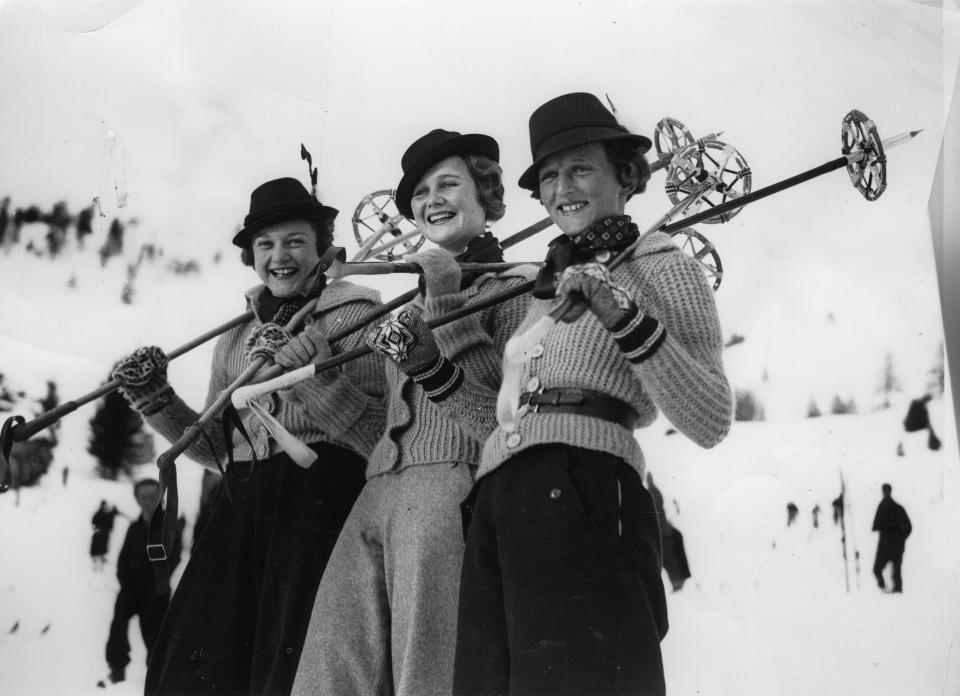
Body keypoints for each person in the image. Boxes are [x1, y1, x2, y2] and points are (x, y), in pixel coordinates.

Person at [450, 93, 734, 695]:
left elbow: (710, 417)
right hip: (499, 498)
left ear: (626, 176)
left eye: (580, 168)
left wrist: (621, 314)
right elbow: (497, 415)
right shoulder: (543, 285)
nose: (562, 187)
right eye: (549, 176)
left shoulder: (663, 265)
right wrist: (431, 365)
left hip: (582, 485)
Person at [110, 176, 386, 696]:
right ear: (252, 256)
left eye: (296, 241)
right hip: (241, 506)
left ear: (323, 248)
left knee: (293, 659)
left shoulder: (358, 315)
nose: (279, 256)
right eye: (266, 244)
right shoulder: (238, 335)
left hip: (321, 502)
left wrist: (310, 377)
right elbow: (219, 447)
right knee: (198, 655)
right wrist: (157, 401)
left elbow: (376, 436)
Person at [292, 129, 536, 696]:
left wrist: (450, 304)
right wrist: (320, 379)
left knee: (425, 676)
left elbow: (502, 422)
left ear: (487, 194)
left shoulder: (519, 287)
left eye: (448, 184)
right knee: (328, 672)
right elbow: (380, 430)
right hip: (376, 491)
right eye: (420, 193)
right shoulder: (408, 300)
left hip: (453, 495)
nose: (433, 200)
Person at [100, 479, 182, 687]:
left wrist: (159, 582)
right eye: (142, 497)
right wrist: (125, 583)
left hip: (156, 591)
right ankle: (117, 668)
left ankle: (156, 681)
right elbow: (123, 559)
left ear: (159, 498)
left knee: (156, 637)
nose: (147, 501)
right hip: (132, 588)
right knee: (118, 622)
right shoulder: (135, 527)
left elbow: (175, 557)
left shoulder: (168, 525)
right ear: (137, 499)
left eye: (151, 496)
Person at [872, 483, 912, 593]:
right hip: (889, 545)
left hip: (891, 545)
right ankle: (885, 589)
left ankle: (894, 592)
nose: (884, 493)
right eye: (883, 491)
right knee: (878, 569)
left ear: (889, 491)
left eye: (885, 491)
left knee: (893, 571)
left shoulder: (894, 508)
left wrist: (901, 538)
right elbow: (876, 526)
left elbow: (908, 527)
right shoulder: (889, 507)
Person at [90, 500, 120, 571]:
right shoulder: (97, 514)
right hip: (98, 536)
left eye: (105, 506)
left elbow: (110, 518)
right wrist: (97, 532)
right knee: (96, 550)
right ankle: (94, 564)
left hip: (104, 535)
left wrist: (114, 511)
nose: (104, 507)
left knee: (102, 549)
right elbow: (93, 524)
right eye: (103, 506)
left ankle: (101, 561)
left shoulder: (106, 514)